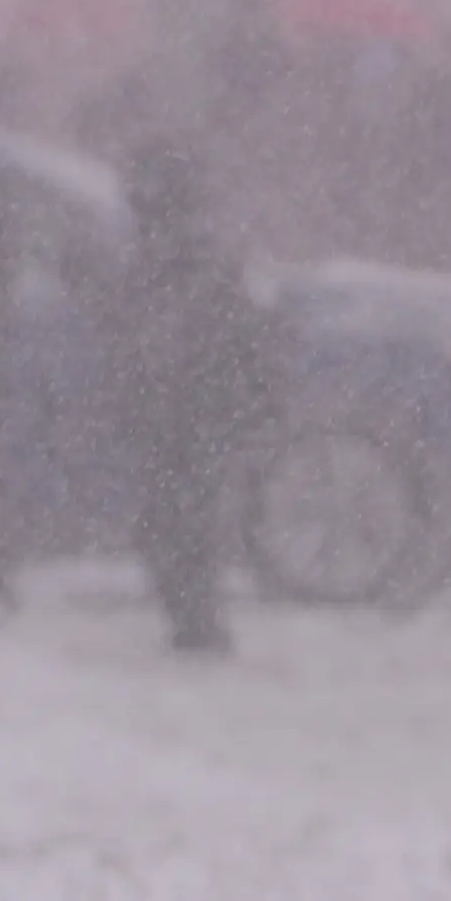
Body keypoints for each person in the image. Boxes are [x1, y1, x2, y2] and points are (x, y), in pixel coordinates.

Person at [119, 134, 257, 653]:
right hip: (190, 402)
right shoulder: (193, 253)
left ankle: (193, 614)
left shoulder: (178, 256)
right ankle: (193, 613)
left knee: (176, 511)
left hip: (183, 401)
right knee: (181, 509)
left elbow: (175, 329)